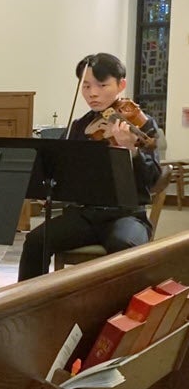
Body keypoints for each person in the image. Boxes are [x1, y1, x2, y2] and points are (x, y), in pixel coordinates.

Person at [17, 53, 161, 281]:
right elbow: (63, 168)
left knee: (124, 245)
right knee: (36, 241)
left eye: (102, 85)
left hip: (127, 216)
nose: (92, 93)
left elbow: (153, 179)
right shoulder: (80, 126)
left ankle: (118, 312)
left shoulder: (142, 124)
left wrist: (131, 150)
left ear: (121, 84)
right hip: (84, 215)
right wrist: (51, 187)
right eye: (85, 86)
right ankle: (27, 309)